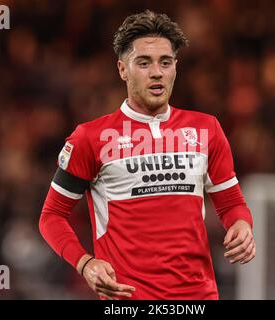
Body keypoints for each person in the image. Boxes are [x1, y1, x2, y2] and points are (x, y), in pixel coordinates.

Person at [39, 9, 255, 300]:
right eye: (144, 62)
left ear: (175, 67)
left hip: (198, 298)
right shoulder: (90, 138)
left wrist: (241, 225)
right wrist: (85, 263)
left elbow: (231, 205)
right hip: (128, 300)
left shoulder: (206, 129)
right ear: (122, 69)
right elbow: (51, 216)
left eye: (165, 62)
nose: (156, 72)